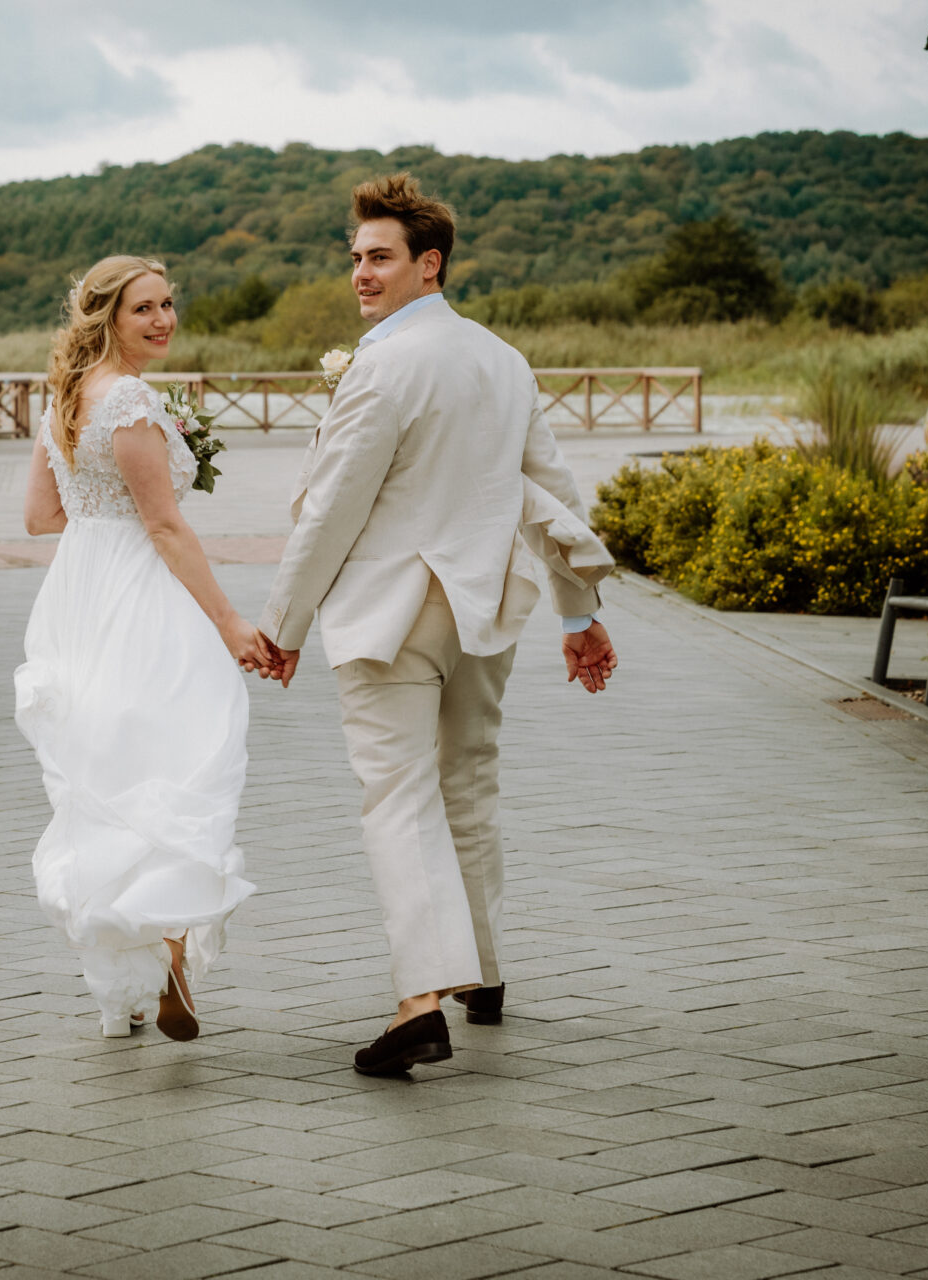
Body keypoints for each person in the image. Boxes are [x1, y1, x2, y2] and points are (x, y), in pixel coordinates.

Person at [256, 174, 618, 1075]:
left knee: (398, 794)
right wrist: (579, 612)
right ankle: (483, 972)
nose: (361, 275)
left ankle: (421, 999)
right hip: (484, 605)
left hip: (393, 611)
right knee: (469, 781)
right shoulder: (503, 359)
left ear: (431, 264)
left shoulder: (383, 364)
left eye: (379, 257)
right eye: (355, 258)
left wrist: (283, 625)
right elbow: (552, 494)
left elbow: (334, 509)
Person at [16, 255, 268, 1040]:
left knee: (104, 776)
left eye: (168, 304)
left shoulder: (63, 397)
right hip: (138, 599)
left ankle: (119, 992)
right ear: (106, 319)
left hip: (77, 594)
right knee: (167, 767)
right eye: (143, 310)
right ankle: (168, 963)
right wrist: (230, 623)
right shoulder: (127, 400)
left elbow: (39, 518)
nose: (163, 320)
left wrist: (99, 510)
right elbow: (164, 526)